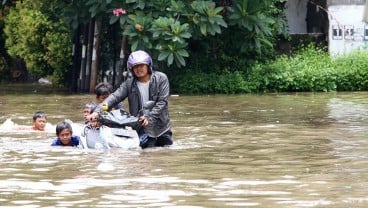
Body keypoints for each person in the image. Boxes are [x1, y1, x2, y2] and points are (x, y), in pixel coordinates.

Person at [88, 50, 173, 149]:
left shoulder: (161, 78)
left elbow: (162, 102)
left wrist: (148, 117)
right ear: (131, 69)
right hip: (141, 127)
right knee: (144, 155)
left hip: (161, 127)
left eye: (141, 65)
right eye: (135, 67)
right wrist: (98, 111)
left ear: (148, 65)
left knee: (165, 153)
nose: (139, 69)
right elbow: (114, 98)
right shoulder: (129, 84)